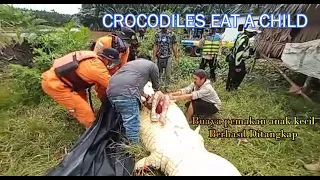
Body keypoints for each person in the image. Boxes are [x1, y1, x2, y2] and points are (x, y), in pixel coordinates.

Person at [41, 48, 121, 129]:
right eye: (112, 63)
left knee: (82, 101)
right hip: (55, 85)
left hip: (68, 80)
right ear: (106, 59)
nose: (112, 66)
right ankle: (92, 132)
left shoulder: (93, 58)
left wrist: (105, 101)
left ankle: (77, 115)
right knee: (84, 111)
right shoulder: (97, 69)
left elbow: (101, 88)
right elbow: (114, 87)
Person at [106, 59, 160, 143]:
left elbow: (133, 82)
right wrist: (155, 93)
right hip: (126, 93)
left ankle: (121, 139)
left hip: (111, 91)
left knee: (122, 118)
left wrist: (144, 95)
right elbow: (156, 87)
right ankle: (134, 148)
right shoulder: (153, 66)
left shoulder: (131, 66)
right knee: (132, 124)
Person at [226, 26, 261, 91]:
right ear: (249, 32)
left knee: (232, 74)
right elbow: (239, 52)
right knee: (239, 74)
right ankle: (232, 88)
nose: (254, 35)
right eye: (253, 33)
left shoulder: (240, 36)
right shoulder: (245, 39)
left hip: (234, 58)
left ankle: (229, 88)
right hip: (237, 59)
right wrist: (238, 65)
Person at [152, 22, 179, 87]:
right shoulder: (157, 34)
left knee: (168, 74)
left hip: (168, 56)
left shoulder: (172, 34)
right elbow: (156, 46)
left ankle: (167, 87)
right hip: (159, 57)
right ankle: (158, 87)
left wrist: (176, 57)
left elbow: (174, 45)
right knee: (158, 74)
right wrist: (153, 57)